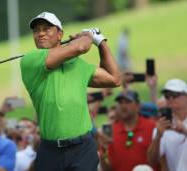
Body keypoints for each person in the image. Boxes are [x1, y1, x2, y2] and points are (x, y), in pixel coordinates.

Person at [20, 12, 121, 171]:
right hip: (50, 150)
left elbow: (115, 79)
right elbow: (81, 46)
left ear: (60, 34)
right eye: (36, 30)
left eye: (46, 29)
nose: (40, 33)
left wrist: (100, 41)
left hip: (83, 149)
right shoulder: (30, 60)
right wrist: (88, 36)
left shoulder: (78, 65)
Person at [99, 90, 156, 171]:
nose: (123, 106)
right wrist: (104, 152)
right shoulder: (112, 131)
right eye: (120, 103)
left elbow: (160, 160)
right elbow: (107, 169)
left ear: (138, 106)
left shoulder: (152, 127)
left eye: (128, 102)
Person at [147, 78, 187, 171]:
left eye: (175, 95)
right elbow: (151, 161)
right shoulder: (163, 125)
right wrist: (158, 137)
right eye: (167, 96)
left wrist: (185, 131)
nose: (171, 99)